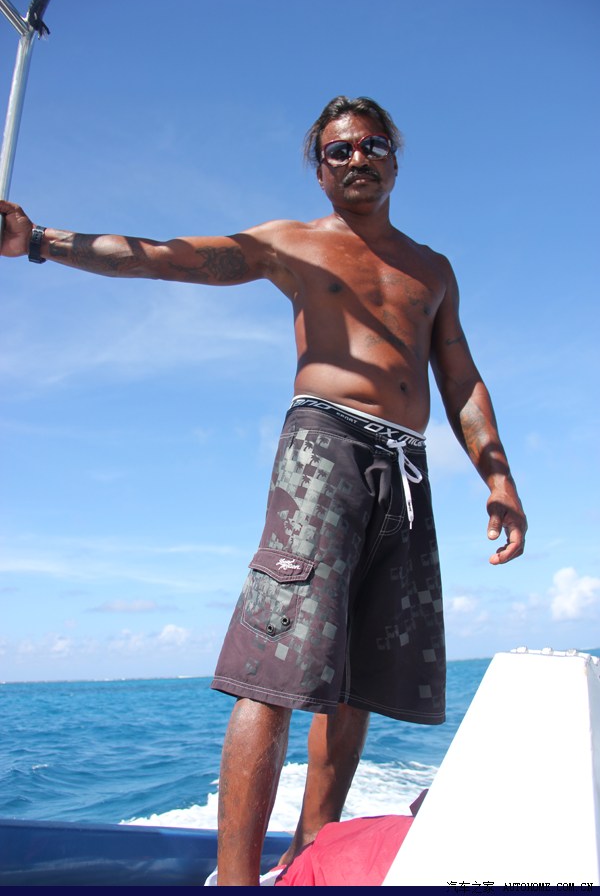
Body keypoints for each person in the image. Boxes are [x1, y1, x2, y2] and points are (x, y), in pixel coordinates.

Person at [0, 95, 527, 886]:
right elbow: (163, 256)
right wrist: (38, 241)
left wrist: (498, 475)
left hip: (407, 468)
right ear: (319, 170)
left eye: (372, 145)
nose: (357, 158)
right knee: (273, 669)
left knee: (356, 681)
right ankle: (238, 880)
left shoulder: (433, 270)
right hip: (325, 448)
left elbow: (460, 378)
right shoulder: (293, 244)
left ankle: (311, 846)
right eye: (339, 150)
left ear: (395, 158)